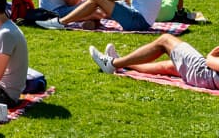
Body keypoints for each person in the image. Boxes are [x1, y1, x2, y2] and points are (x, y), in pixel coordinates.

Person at [89, 34, 218, 91]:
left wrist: (210, 57)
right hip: (211, 77)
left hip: (205, 75)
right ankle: (123, 63)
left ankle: (111, 64)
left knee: (165, 40)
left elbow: (211, 62)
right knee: (169, 66)